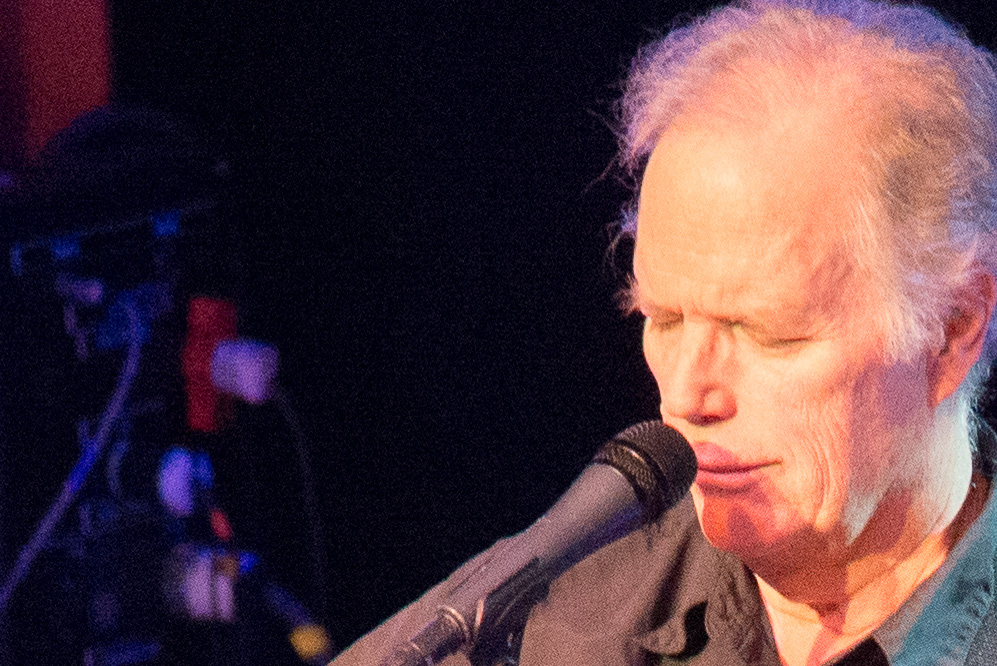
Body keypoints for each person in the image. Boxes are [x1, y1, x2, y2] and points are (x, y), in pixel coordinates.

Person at [330, 1, 997, 664]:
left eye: (764, 332)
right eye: (665, 319)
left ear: (952, 330)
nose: (685, 397)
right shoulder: (554, 618)